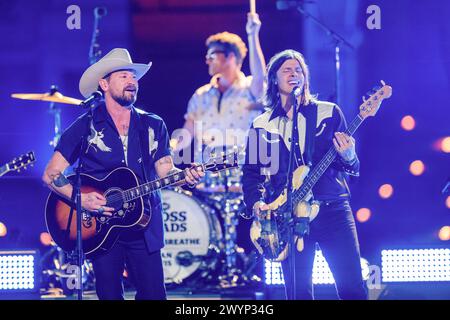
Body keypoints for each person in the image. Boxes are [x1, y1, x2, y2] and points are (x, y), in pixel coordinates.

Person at [42, 48, 204, 300]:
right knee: (109, 295)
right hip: (101, 226)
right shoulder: (85, 125)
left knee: (153, 295)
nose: (132, 81)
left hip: (144, 224)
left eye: (133, 77)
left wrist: (184, 175)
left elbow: (164, 169)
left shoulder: (153, 124)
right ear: (104, 84)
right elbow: (51, 173)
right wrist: (80, 198)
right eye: (124, 76)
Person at [241, 49, 367, 300]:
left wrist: (349, 155)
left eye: (299, 70)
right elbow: (251, 173)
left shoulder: (328, 113)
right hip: (288, 217)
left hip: (333, 210)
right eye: (287, 69)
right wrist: (256, 202)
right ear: (274, 79)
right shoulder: (261, 124)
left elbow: (351, 168)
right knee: (298, 293)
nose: (294, 73)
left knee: (352, 287)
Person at [172, 12, 266, 163]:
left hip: (242, 177)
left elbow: (260, 76)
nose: (207, 60)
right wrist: (168, 151)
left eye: (212, 56)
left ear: (230, 57)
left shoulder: (250, 89)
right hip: (207, 178)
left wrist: (252, 35)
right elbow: (186, 133)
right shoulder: (201, 95)